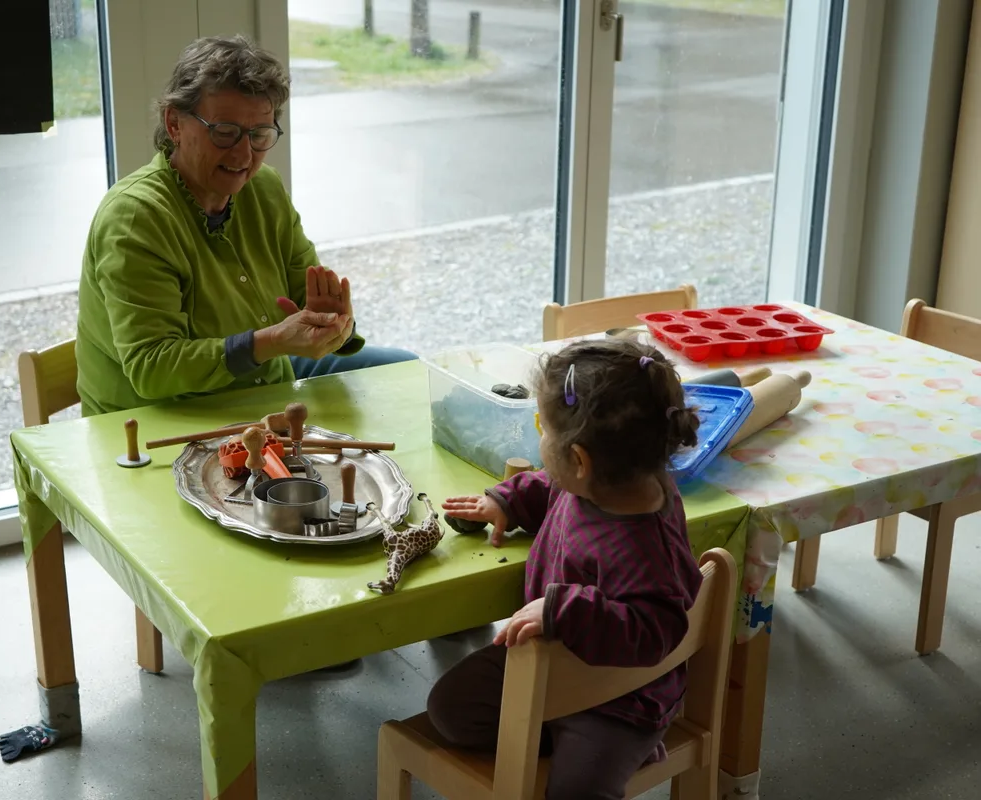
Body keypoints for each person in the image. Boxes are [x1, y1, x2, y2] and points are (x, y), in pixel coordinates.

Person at [75, 34, 416, 417]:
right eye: (224, 132)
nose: (243, 154)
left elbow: (305, 299)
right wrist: (269, 341)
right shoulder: (136, 218)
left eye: (259, 135)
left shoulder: (263, 187)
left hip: (261, 385)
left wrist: (334, 325)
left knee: (411, 371)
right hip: (158, 418)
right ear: (174, 123)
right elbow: (152, 369)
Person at [428, 339, 704, 800]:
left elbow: (656, 631)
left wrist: (565, 610)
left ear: (579, 459)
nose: (540, 440)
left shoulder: (644, 545)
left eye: (542, 428)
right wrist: (507, 500)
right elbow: (550, 486)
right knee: (450, 709)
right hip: (553, 660)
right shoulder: (599, 483)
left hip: (618, 698)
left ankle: (627, 744)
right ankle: (557, 728)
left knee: (578, 789)